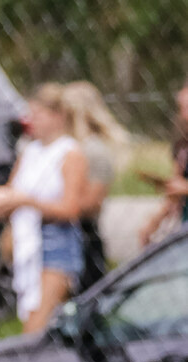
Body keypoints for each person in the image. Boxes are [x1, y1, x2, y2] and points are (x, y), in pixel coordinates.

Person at [0, 83, 87, 332]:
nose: (31, 121)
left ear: (58, 116)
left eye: (38, 115)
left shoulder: (70, 153)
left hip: (55, 243)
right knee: (44, 323)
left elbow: (71, 209)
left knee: (35, 328)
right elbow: (13, 192)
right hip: (27, 243)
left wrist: (26, 202)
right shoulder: (29, 151)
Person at [62, 81, 128, 291]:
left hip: (84, 235)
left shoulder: (95, 150)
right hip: (64, 232)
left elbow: (93, 203)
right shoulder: (67, 146)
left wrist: (50, 206)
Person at [139, 77, 188, 248]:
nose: (181, 96)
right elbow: (176, 189)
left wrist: (185, 187)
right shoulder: (183, 141)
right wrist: (154, 222)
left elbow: (182, 185)